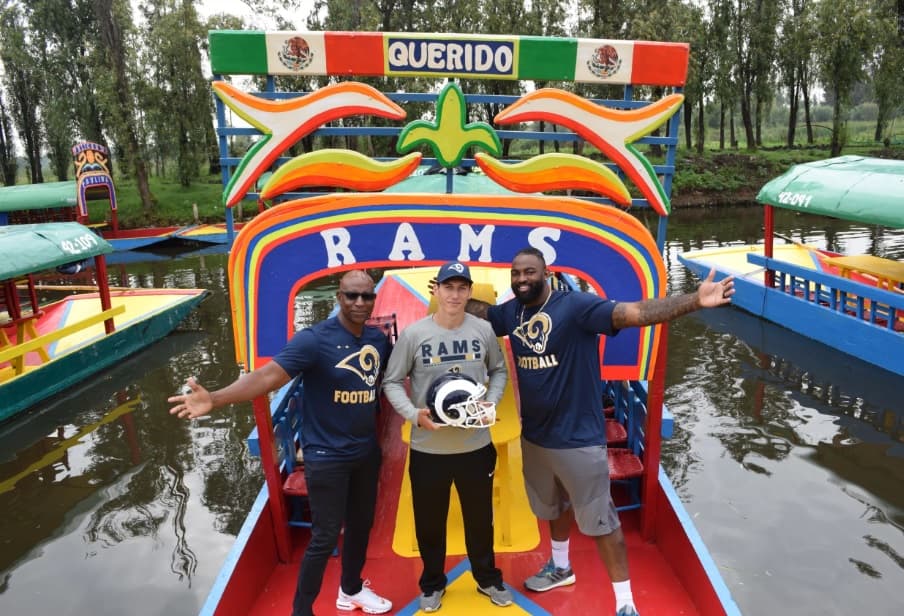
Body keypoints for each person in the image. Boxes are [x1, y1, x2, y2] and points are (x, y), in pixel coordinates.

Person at [465, 247, 735, 616]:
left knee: (603, 522)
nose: (522, 278)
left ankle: (625, 603)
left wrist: (694, 301)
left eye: (530, 272)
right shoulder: (513, 311)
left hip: (578, 440)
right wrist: (456, 292)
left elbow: (634, 313)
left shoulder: (576, 307)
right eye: (516, 273)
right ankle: (561, 567)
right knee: (554, 504)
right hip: (536, 437)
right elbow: (484, 315)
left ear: (546, 274)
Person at [168, 270, 392, 616]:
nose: (360, 303)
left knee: (362, 525)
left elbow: (393, 381)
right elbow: (265, 377)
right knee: (324, 536)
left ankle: (350, 590)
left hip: (364, 451)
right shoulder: (313, 340)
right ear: (338, 297)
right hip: (326, 455)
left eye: (367, 296)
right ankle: (301, 611)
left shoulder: (378, 340)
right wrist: (216, 397)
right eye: (352, 296)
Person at [382, 261, 513, 612]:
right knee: (429, 523)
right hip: (429, 449)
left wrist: (490, 402)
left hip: (476, 446)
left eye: (461, 288)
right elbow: (392, 381)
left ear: (469, 292)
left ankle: (487, 578)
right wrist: (413, 415)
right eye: (448, 287)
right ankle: (432, 584)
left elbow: (499, 371)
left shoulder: (483, 330)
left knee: (480, 519)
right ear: (435, 290)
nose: (454, 294)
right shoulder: (414, 334)